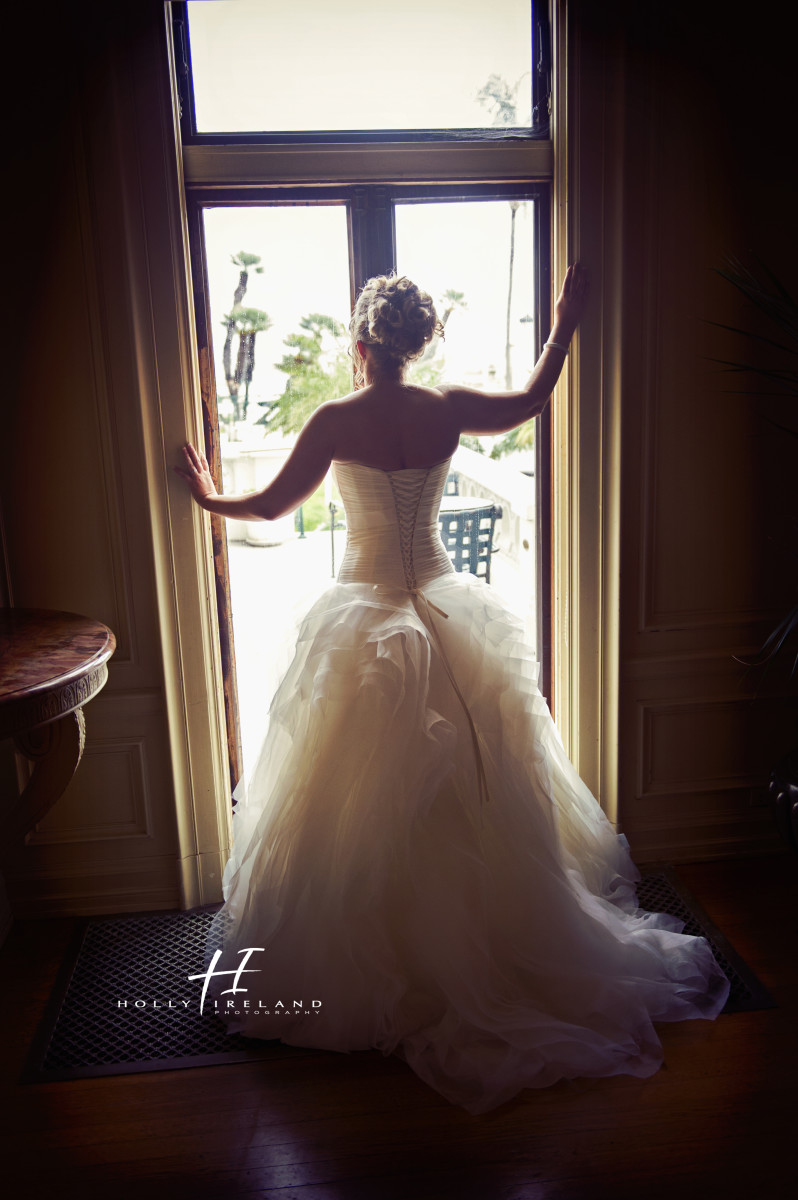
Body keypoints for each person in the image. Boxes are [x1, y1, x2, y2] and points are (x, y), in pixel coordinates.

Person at [176, 266, 729, 1114]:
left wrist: (205, 493)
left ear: (360, 347)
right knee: (472, 789)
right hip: (444, 604)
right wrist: (566, 320)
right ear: (417, 342)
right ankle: (485, 946)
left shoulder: (334, 418)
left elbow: (271, 505)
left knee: (359, 803)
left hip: (366, 613)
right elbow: (536, 397)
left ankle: (385, 963)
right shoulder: (449, 407)